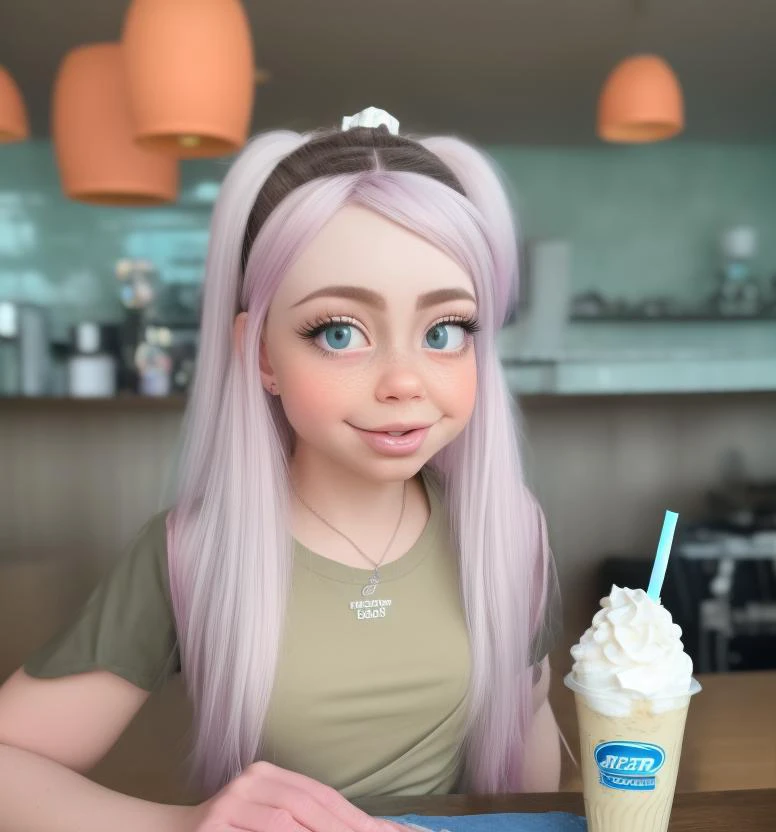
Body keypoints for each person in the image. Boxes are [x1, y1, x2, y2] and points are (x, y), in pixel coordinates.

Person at [0, 108, 562, 832]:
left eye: (444, 331)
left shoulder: (509, 529)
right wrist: (180, 826)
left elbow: (533, 766)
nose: (403, 381)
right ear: (261, 353)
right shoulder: (195, 553)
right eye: (338, 332)